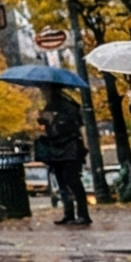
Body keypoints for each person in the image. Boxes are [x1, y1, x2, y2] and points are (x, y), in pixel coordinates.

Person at [35, 88, 91, 227]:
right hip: (64, 146)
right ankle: (74, 213)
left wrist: (49, 119)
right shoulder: (68, 106)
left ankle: (77, 214)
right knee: (67, 181)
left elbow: (66, 127)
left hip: (66, 147)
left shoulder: (62, 107)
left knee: (70, 181)